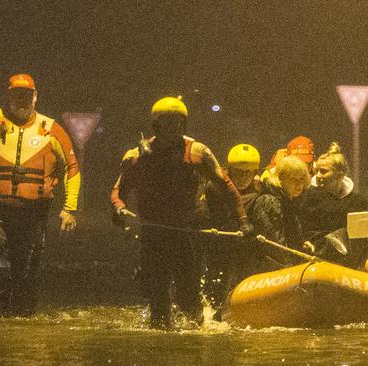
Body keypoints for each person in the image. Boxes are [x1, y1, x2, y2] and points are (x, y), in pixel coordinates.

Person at [111, 96, 250, 329]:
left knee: (188, 293)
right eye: (167, 123)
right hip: (154, 233)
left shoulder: (198, 152)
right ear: (156, 125)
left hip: (188, 232)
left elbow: (226, 186)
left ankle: (192, 338)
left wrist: (243, 220)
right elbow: (118, 191)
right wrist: (119, 209)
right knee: (157, 298)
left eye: (177, 123)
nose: (172, 128)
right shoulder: (135, 156)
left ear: (184, 124)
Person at [0, 73, 80, 316]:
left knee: (26, 280)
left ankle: (20, 332)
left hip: (32, 216)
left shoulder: (51, 130)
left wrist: (69, 208)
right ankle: (3, 289)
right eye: (17, 95)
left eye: (27, 95)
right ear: (9, 97)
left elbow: (72, 168)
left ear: (35, 97)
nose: (22, 100)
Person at [202, 143, 262, 308]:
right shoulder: (214, 187)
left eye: (247, 173)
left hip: (246, 248)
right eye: (238, 172)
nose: (243, 177)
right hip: (219, 244)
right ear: (230, 170)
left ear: (255, 173)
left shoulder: (261, 191)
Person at [301, 142, 368, 267]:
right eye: (316, 170)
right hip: (316, 259)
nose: (317, 176)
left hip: (350, 264)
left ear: (340, 174)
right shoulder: (306, 198)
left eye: (323, 171)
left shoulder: (359, 202)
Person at [253, 155, 311, 269]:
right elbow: (273, 243)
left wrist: (302, 246)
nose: (299, 184)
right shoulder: (269, 201)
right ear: (280, 179)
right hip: (271, 272)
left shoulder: (289, 202)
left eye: (301, 179)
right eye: (293, 179)